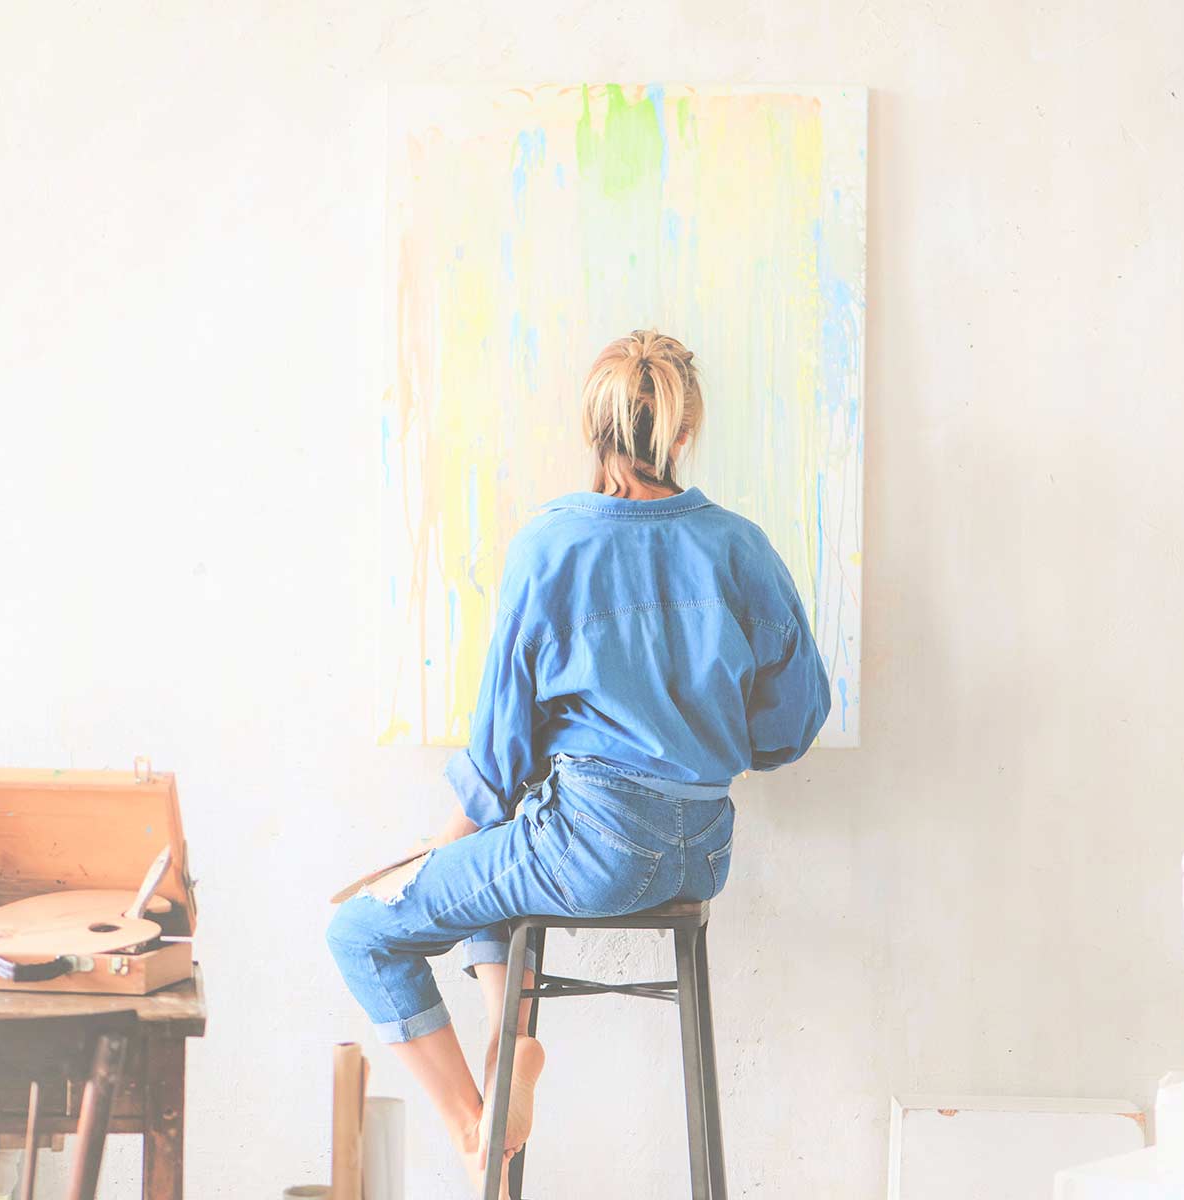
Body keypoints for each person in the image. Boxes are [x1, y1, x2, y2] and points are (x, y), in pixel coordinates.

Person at [326, 328, 832, 1197]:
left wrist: (429, 849)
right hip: (704, 852)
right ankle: (505, 1038)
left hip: (590, 852)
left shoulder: (553, 546)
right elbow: (798, 715)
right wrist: (706, 738)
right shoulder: (739, 546)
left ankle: (473, 1128)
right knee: (499, 859)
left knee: (361, 931)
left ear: (595, 434)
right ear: (682, 435)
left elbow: (498, 749)